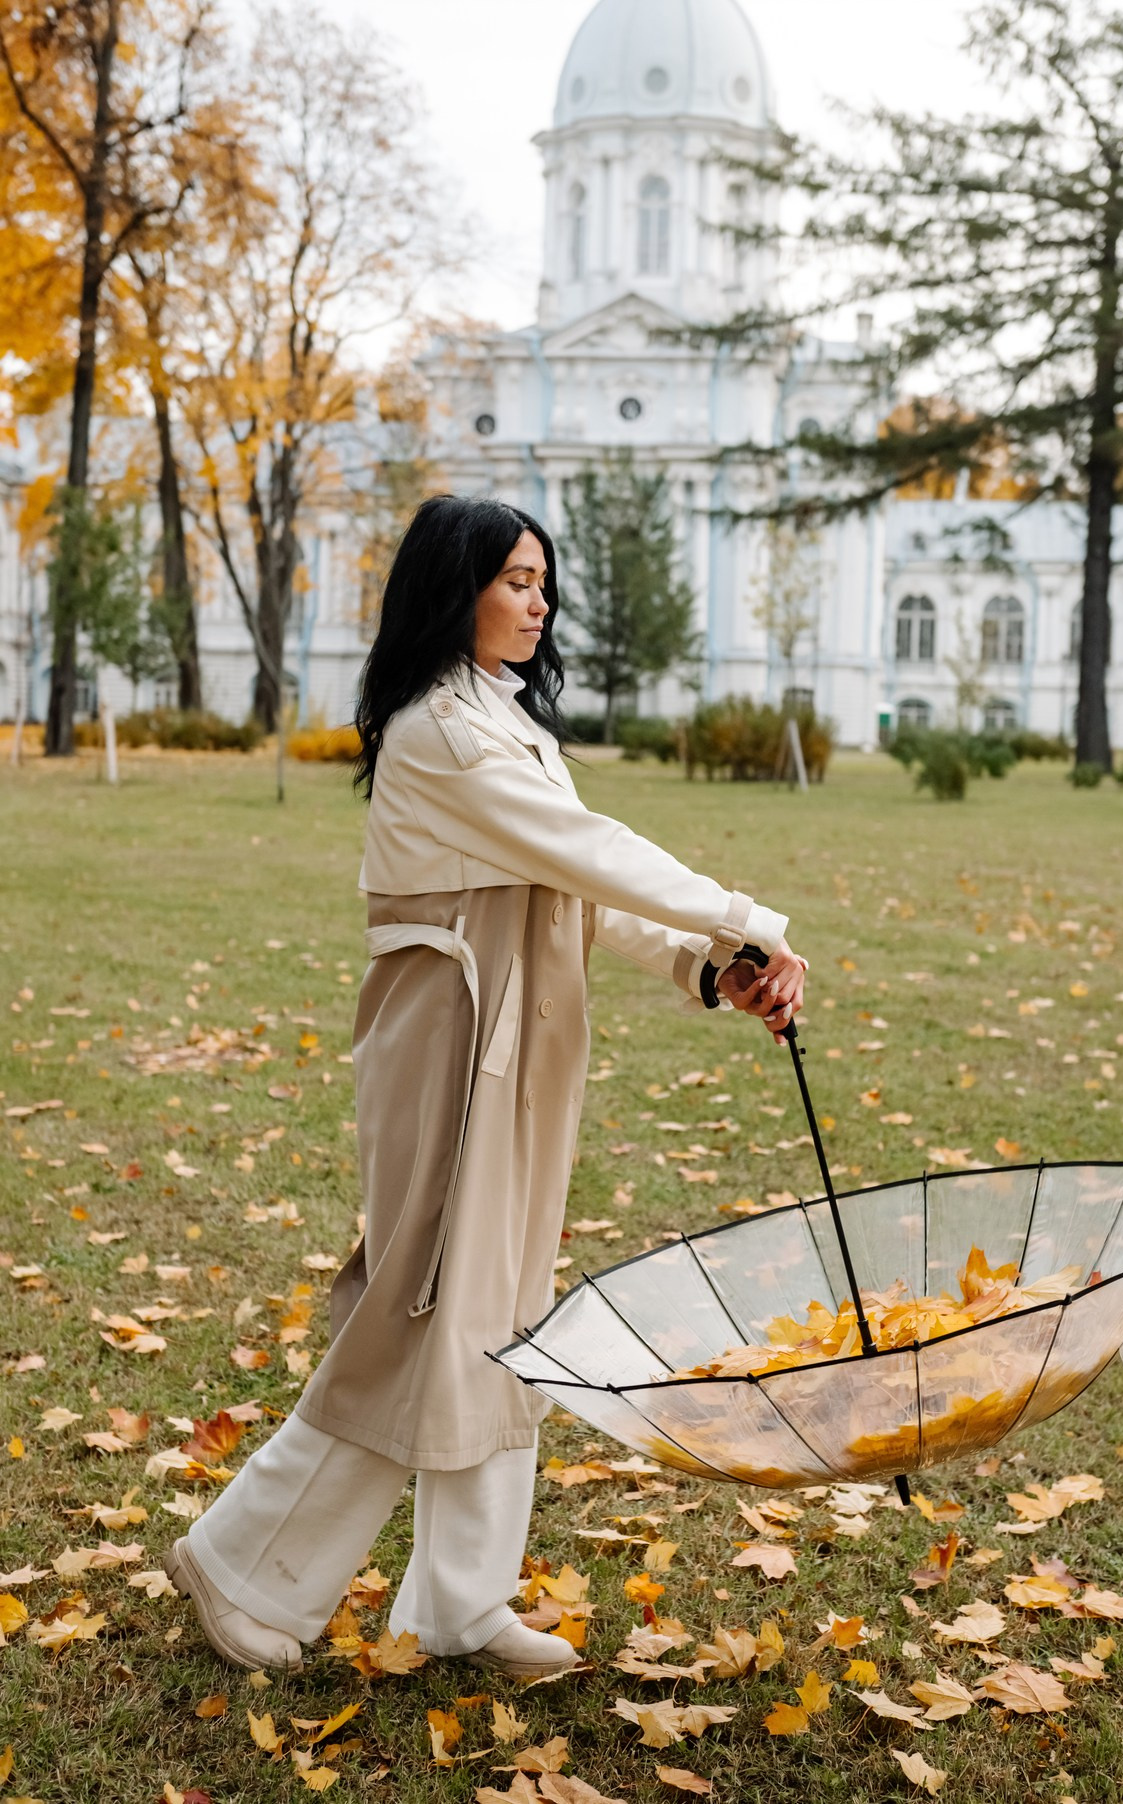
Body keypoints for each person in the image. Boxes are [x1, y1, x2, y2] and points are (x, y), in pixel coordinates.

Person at [165, 495, 808, 1678]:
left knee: (503, 1320)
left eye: (542, 581)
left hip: (518, 1053)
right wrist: (745, 920)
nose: (539, 600)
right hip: (452, 1051)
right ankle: (241, 1562)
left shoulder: (502, 722)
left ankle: (462, 1603)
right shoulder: (442, 733)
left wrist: (708, 963)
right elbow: (591, 851)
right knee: (421, 1314)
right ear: (453, 587)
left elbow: (577, 891)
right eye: (516, 578)